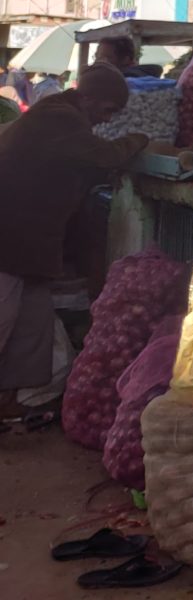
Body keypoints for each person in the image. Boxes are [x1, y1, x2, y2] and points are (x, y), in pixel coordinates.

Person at [0, 65, 147, 398]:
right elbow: (106, 156)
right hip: (8, 238)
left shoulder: (64, 117)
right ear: (86, 98)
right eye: (108, 110)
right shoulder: (59, 118)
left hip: (27, 245)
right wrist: (141, 139)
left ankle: (12, 402)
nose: (108, 120)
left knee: (32, 326)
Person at [94, 37, 158, 78]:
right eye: (96, 56)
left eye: (106, 57)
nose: (97, 61)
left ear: (125, 60)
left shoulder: (124, 82)